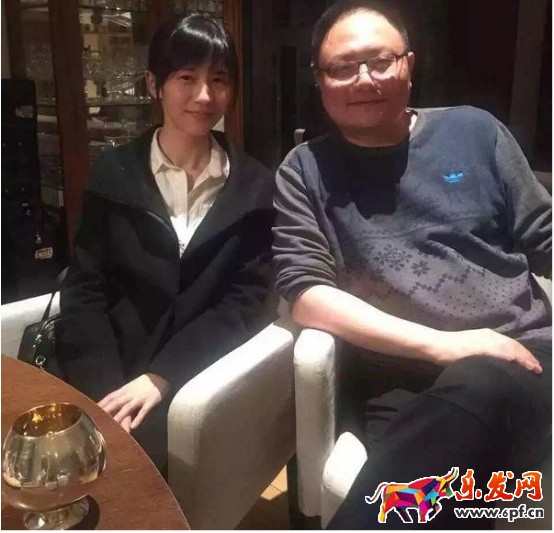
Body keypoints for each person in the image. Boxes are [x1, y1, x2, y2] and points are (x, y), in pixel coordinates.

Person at [272, 0, 551, 528]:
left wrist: (475, 352)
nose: (363, 79)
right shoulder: (305, 170)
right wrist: (443, 345)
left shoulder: (475, 132)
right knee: (442, 500)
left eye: (380, 61)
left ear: (409, 64)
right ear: (319, 79)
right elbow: (306, 292)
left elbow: (547, 234)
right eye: (342, 67)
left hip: (519, 359)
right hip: (398, 378)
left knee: (473, 397)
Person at [59, 13, 276, 475]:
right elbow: (86, 289)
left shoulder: (255, 188)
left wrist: (161, 377)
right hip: (109, 370)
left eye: (219, 79)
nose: (204, 95)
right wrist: (104, 392)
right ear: (154, 84)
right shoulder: (113, 174)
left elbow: (243, 302)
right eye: (186, 77)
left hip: (196, 378)